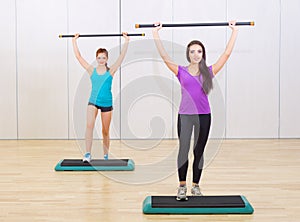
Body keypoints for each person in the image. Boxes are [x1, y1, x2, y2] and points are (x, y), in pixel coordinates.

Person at [152, 21, 238, 200]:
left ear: (203, 54)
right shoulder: (180, 71)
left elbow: (227, 54)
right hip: (185, 116)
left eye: (199, 51)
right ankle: (182, 186)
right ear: (188, 54)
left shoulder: (209, 71)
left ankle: (196, 186)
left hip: (204, 116)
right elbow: (164, 55)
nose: (196, 54)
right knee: (183, 150)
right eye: (192, 51)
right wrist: (156, 34)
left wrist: (234, 31)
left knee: (198, 151)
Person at [72, 32, 130, 162]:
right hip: (93, 101)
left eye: (103, 58)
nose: (101, 60)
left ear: (107, 59)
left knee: (105, 131)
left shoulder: (111, 71)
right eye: (99, 58)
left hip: (107, 103)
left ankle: (105, 155)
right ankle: (87, 154)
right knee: (89, 126)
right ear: (96, 59)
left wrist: (126, 41)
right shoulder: (91, 70)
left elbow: (121, 57)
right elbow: (78, 56)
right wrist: (74, 41)